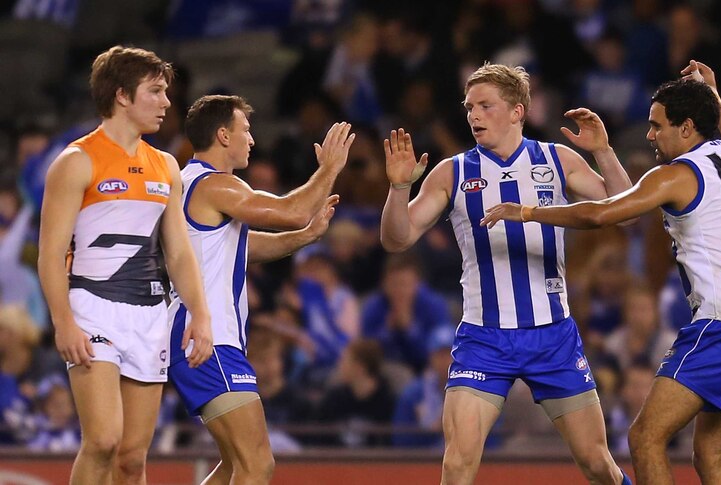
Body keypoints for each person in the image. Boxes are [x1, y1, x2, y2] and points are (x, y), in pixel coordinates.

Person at [481, 60, 721, 485]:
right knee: (712, 457)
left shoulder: (677, 174)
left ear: (687, 127)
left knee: (644, 438)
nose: (650, 135)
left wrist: (528, 210)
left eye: (657, 125)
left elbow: (603, 214)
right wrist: (714, 93)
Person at [380, 62, 633, 485]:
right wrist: (398, 188)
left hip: (552, 335)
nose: (474, 116)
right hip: (484, 338)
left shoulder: (557, 159)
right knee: (457, 465)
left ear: (517, 111)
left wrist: (604, 152)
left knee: (597, 464)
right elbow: (396, 240)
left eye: (485, 106)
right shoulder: (453, 172)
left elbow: (623, 214)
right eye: (469, 107)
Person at [37, 45, 213, 485]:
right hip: (93, 308)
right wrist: (63, 323)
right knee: (102, 441)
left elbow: (178, 252)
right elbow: (50, 254)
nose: (167, 102)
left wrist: (201, 314)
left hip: (149, 314)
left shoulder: (167, 165)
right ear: (121, 96)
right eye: (154, 91)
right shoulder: (76, 161)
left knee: (132, 457)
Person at [167, 94, 353, 484]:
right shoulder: (216, 186)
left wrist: (304, 237)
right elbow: (290, 210)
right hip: (208, 339)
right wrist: (330, 169)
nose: (252, 140)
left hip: (195, 337)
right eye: (245, 131)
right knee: (257, 465)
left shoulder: (187, 183)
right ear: (222, 135)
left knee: (235, 466)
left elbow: (241, 249)